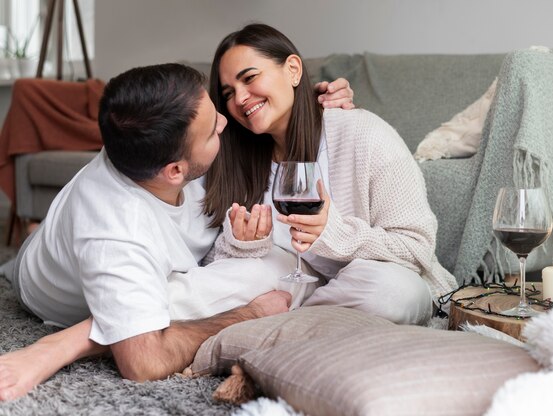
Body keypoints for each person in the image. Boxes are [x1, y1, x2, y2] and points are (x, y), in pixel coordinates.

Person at [0, 63, 354, 401]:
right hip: (48, 289)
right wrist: (251, 314)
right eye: (212, 130)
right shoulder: (116, 231)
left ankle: (100, 321)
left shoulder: (158, 135)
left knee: (275, 261)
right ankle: (69, 338)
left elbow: (256, 111)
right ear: (174, 170)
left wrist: (313, 103)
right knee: (269, 276)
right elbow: (142, 362)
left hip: (91, 248)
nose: (223, 121)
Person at [204, 23, 459, 325]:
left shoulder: (363, 133)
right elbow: (214, 266)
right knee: (242, 275)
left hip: (377, 281)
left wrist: (332, 233)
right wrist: (244, 246)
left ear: (293, 70)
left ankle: (277, 326)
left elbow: (416, 247)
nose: (240, 98)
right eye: (229, 93)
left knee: (391, 292)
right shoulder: (236, 159)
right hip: (297, 285)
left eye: (249, 78)